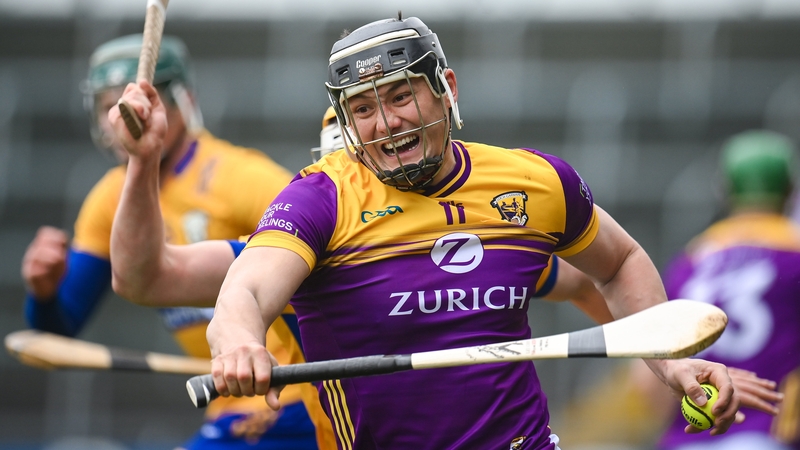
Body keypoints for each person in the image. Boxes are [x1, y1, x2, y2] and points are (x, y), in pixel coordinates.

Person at [114, 16, 744, 450]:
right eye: (363, 108)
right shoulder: (321, 199)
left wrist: (673, 367)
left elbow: (616, 264)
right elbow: (243, 292)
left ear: (445, 90)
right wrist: (240, 345)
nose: (385, 123)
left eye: (400, 96)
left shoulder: (533, 183)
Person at [20, 34, 331, 450]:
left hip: (297, 393)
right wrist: (43, 292)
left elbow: (328, 266)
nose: (127, 116)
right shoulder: (110, 200)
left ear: (182, 101)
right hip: (230, 402)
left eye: (144, 101)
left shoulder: (243, 177)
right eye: (110, 106)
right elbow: (59, 327)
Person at [647, 129, 800, 450]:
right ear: (789, 189)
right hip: (768, 434)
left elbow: (649, 377)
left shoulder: (691, 259)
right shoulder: (795, 252)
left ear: (725, 190)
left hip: (688, 436)